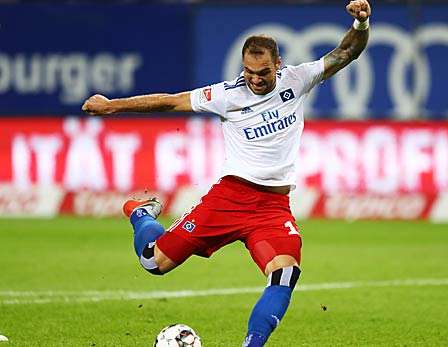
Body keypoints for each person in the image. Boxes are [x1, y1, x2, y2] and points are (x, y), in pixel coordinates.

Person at [82, 1, 371, 346]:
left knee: (285, 273)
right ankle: (141, 213)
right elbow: (171, 102)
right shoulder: (225, 95)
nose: (255, 79)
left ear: (278, 65)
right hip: (229, 199)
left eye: (263, 72)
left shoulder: (297, 79)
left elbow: (345, 53)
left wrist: (361, 25)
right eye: (249, 71)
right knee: (153, 263)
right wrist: (112, 106)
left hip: (272, 208)